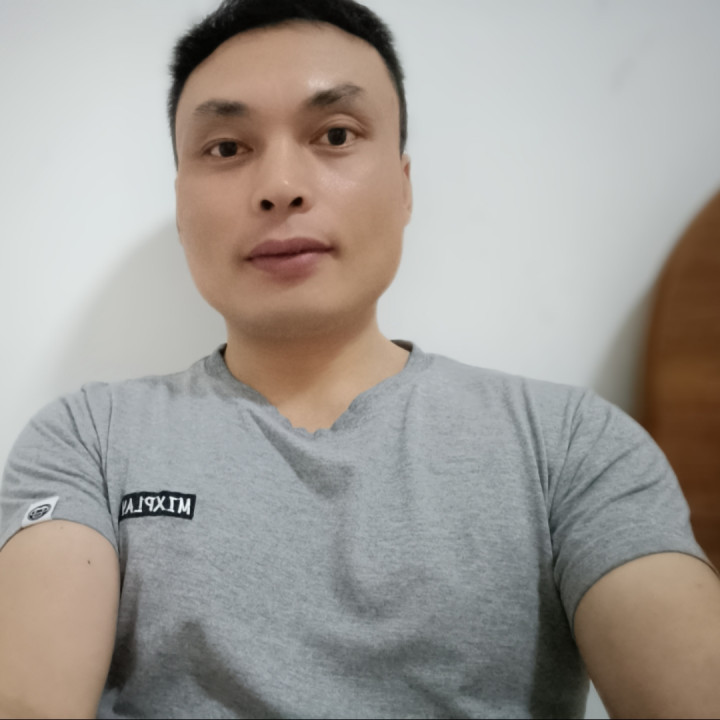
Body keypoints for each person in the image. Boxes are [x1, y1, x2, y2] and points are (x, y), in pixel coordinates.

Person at [1, 0, 719, 717]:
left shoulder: (567, 444)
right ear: (182, 205)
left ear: (404, 186)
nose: (280, 187)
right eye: (226, 148)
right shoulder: (89, 441)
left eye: (336, 134)